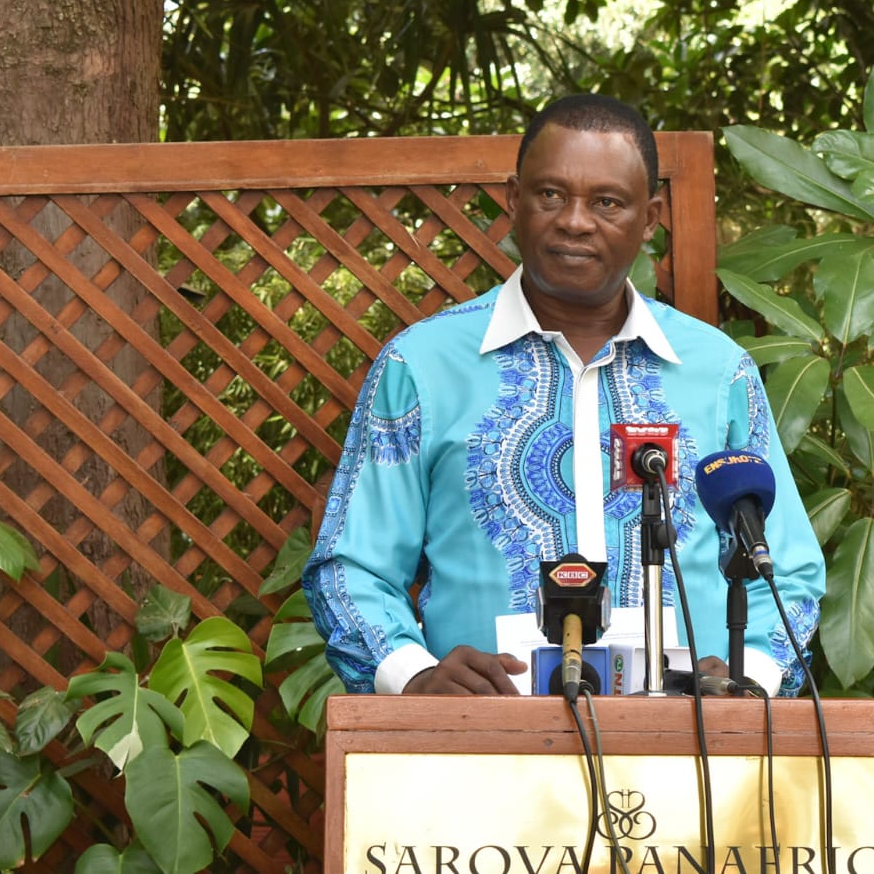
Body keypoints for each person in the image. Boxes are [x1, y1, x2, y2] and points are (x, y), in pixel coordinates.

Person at [302, 94, 824, 696]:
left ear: (650, 218)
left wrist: (748, 681)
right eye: (551, 195)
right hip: (482, 752)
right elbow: (352, 567)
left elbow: (784, 568)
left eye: (606, 202)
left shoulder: (718, 372)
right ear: (514, 200)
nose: (575, 220)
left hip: (691, 750)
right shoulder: (420, 365)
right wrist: (414, 676)